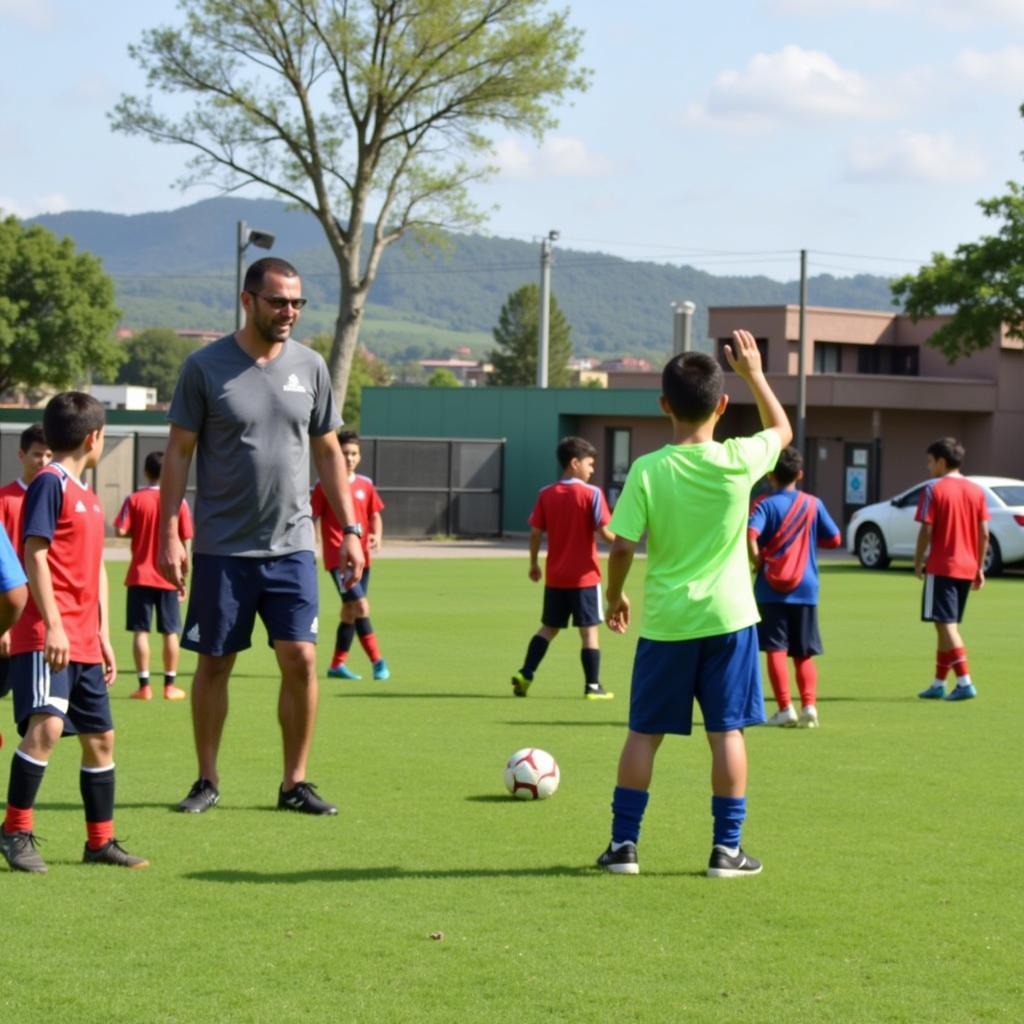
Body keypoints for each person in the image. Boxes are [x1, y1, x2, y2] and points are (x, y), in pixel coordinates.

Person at [160, 256, 364, 816]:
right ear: (248, 300)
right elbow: (178, 452)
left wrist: (348, 527)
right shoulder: (204, 367)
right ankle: (207, 779)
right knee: (216, 663)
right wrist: (169, 534)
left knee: (300, 657)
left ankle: (294, 783)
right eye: (279, 301)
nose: (289, 311)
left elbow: (327, 450)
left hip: (294, 544)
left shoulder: (312, 366)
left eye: (297, 302)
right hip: (223, 547)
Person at [596, 331, 791, 877]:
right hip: (730, 620)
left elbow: (622, 545)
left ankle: (623, 848)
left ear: (663, 405)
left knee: (644, 734)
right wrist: (753, 372)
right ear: (722, 405)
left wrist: (613, 596)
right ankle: (726, 852)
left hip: (667, 622)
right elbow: (781, 429)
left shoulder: (647, 469)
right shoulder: (738, 459)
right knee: (726, 732)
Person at [0, 392, 147, 873]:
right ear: (94, 437)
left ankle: (99, 842)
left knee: (101, 738)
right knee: (46, 728)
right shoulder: (50, 483)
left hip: (84, 639)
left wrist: (102, 632)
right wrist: (57, 626)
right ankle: (14, 833)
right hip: (49, 635)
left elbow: (96, 567)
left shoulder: (86, 495)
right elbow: (34, 553)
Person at [511, 436, 615, 701]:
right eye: (590, 464)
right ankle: (592, 687)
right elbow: (605, 534)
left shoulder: (546, 493)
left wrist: (534, 563)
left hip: (556, 577)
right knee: (589, 632)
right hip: (584, 577)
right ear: (574, 463)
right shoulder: (592, 494)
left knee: (548, 627)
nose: (592, 470)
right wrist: (629, 537)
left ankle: (526, 672)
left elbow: (535, 533)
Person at [747, 446, 842, 728]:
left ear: (770, 474)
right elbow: (835, 538)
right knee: (803, 652)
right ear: (799, 474)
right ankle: (809, 706)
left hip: (770, 587)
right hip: (806, 586)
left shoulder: (764, 503)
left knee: (775, 648)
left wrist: (757, 560)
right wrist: (809, 540)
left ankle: (785, 708)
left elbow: (751, 535)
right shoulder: (813, 504)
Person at [114, 451, 193, 701]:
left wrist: (140, 533)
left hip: (139, 575)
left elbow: (120, 529)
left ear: (146, 472)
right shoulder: (179, 502)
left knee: (141, 632)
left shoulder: (134, 499)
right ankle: (170, 685)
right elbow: (186, 539)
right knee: (170, 631)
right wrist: (182, 575)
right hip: (168, 575)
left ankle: (144, 686)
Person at [914, 437, 989, 702]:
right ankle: (938, 683)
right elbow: (984, 533)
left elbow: (927, 528)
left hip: (942, 565)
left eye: (930, 461)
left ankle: (965, 682)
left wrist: (917, 559)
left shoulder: (933, 490)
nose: (928, 467)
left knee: (947, 627)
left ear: (941, 462)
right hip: (967, 567)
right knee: (943, 625)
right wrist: (979, 567)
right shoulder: (977, 491)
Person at [312, 431, 389, 681]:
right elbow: (312, 516)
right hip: (338, 556)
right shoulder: (325, 484)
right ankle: (378, 662)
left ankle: (336, 666)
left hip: (363, 555)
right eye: (344, 453)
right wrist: (311, 543)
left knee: (349, 611)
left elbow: (375, 514)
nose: (349, 458)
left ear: (360, 457)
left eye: (354, 453)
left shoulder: (365, 484)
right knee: (361, 605)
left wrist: (377, 535)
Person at [0, 423, 51, 699]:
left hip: (45, 620)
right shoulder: (5, 499)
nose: (43, 461)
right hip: (10, 615)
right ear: (21, 455)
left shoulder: (57, 496)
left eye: (48, 455)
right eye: (37, 454)